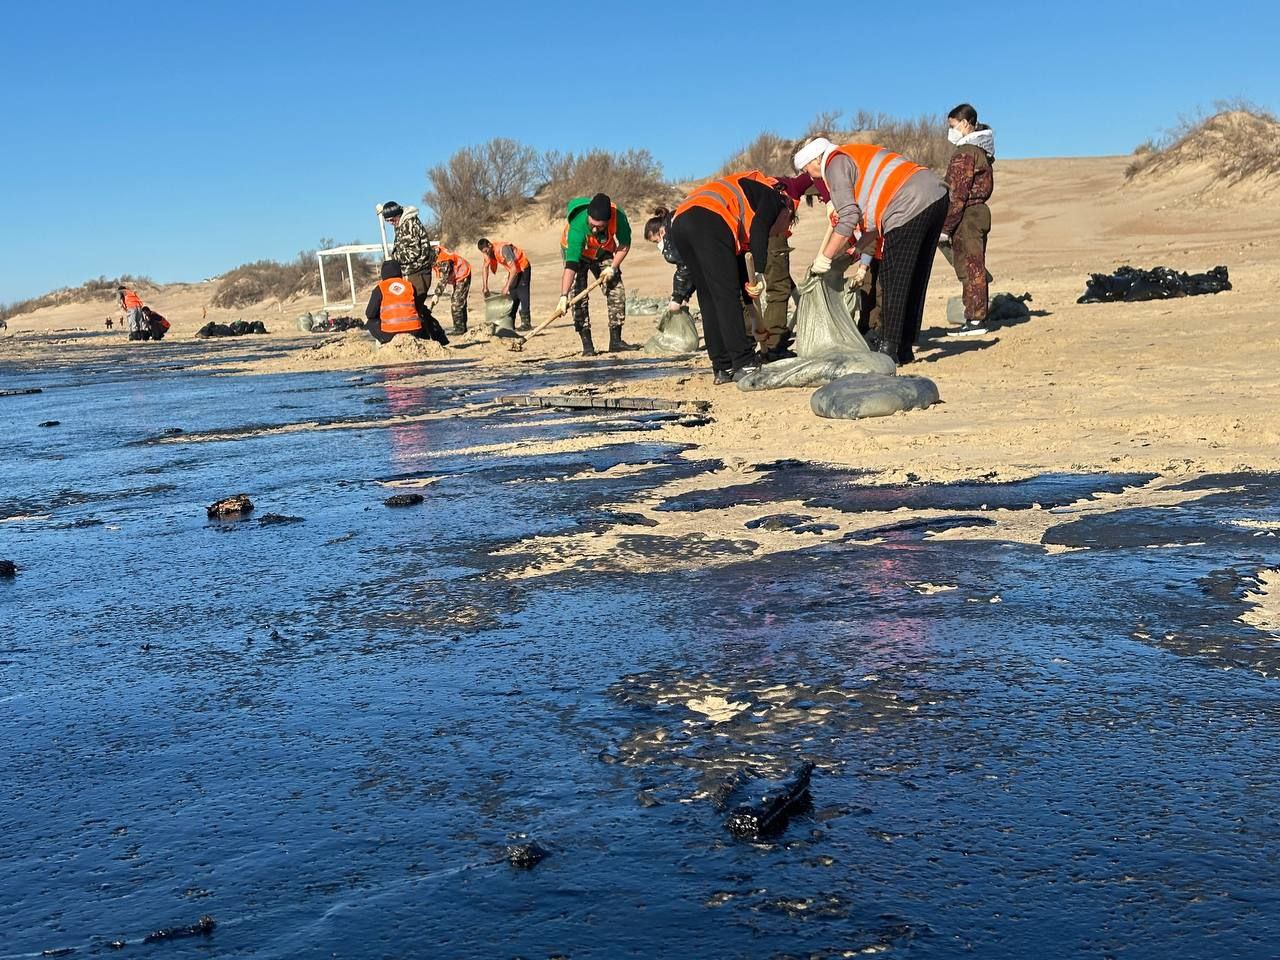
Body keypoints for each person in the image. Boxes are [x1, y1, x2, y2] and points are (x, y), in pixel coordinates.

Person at [794, 137, 949, 365]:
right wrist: (856, 249)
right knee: (915, 276)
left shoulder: (834, 164)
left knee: (892, 277)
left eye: (806, 169)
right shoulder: (852, 156)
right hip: (936, 195)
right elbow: (875, 221)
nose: (809, 176)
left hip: (908, 201)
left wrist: (825, 258)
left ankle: (889, 348)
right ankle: (905, 347)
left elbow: (848, 216)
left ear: (814, 159)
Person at [667, 170, 789, 384]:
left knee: (709, 295)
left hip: (680, 222)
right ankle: (744, 362)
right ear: (787, 212)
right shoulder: (775, 198)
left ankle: (722, 367)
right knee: (725, 296)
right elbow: (761, 228)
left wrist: (754, 318)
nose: (779, 234)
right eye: (783, 230)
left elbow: (741, 272)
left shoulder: (742, 207)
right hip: (708, 217)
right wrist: (760, 272)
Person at [939, 103, 996, 337]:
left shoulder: (966, 152)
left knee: (970, 265)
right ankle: (974, 316)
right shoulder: (980, 151)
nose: (951, 131)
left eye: (953, 126)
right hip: (975, 213)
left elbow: (958, 193)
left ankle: (975, 320)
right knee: (971, 264)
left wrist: (945, 227)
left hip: (968, 215)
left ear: (964, 123)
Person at [556, 192, 635, 355]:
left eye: (599, 226)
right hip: (578, 255)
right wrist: (563, 296)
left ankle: (616, 340)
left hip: (602, 252)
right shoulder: (578, 227)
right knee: (578, 295)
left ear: (608, 220)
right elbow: (571, 265)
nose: (594, 229)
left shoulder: (618, 217)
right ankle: (587, 345)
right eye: (592, 224)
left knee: (616, 289)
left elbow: (625, 244)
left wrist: (613, 267)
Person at [364, 259, 450, 346]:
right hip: (414, 332)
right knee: (421, 315)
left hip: (389, 334)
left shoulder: (380, 288)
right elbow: (416, 308)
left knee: (370, 322)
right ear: (399, 272)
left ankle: (385, 342)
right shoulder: (409, 285)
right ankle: (427, 339)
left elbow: (370, 314)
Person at [378, 201, 437, 300]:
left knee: (414, 307)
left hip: (418, 273)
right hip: (411, 272)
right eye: (388, 221)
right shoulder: (400, 224)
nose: (391, 223)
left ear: (398, 215)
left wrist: (393, 259)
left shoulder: (409, 224)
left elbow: (413, 252)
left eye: (392, 219)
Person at [643, 207, 695, 315]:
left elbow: (686, 266)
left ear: (662, 231)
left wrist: (677, 297)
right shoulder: (675, 228)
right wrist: (685, 295)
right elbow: (693, 268)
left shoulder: (674, 236)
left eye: (656, 241)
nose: (658, 245)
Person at [476, 238, 531, 332]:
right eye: (483, 252)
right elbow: (485, 267)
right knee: (513, 295)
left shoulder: (503, 249)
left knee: (522, 293)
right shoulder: (488, 253)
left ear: (489, 245)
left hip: (523, 268)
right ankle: (510, 323)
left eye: (486, 251)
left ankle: (526, 323)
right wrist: (485, 287)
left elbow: (513, 269)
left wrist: (506, 286)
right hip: (513, 271)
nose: (486, 253)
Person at [431, 244, 473, 335]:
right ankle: (462, 327)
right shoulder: (434, 253)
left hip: (463, 273)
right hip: (458, 275)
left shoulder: (444, 260)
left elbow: (444, 279)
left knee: (456, 302)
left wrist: (436, 294)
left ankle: (459, 329)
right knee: (459, 301)